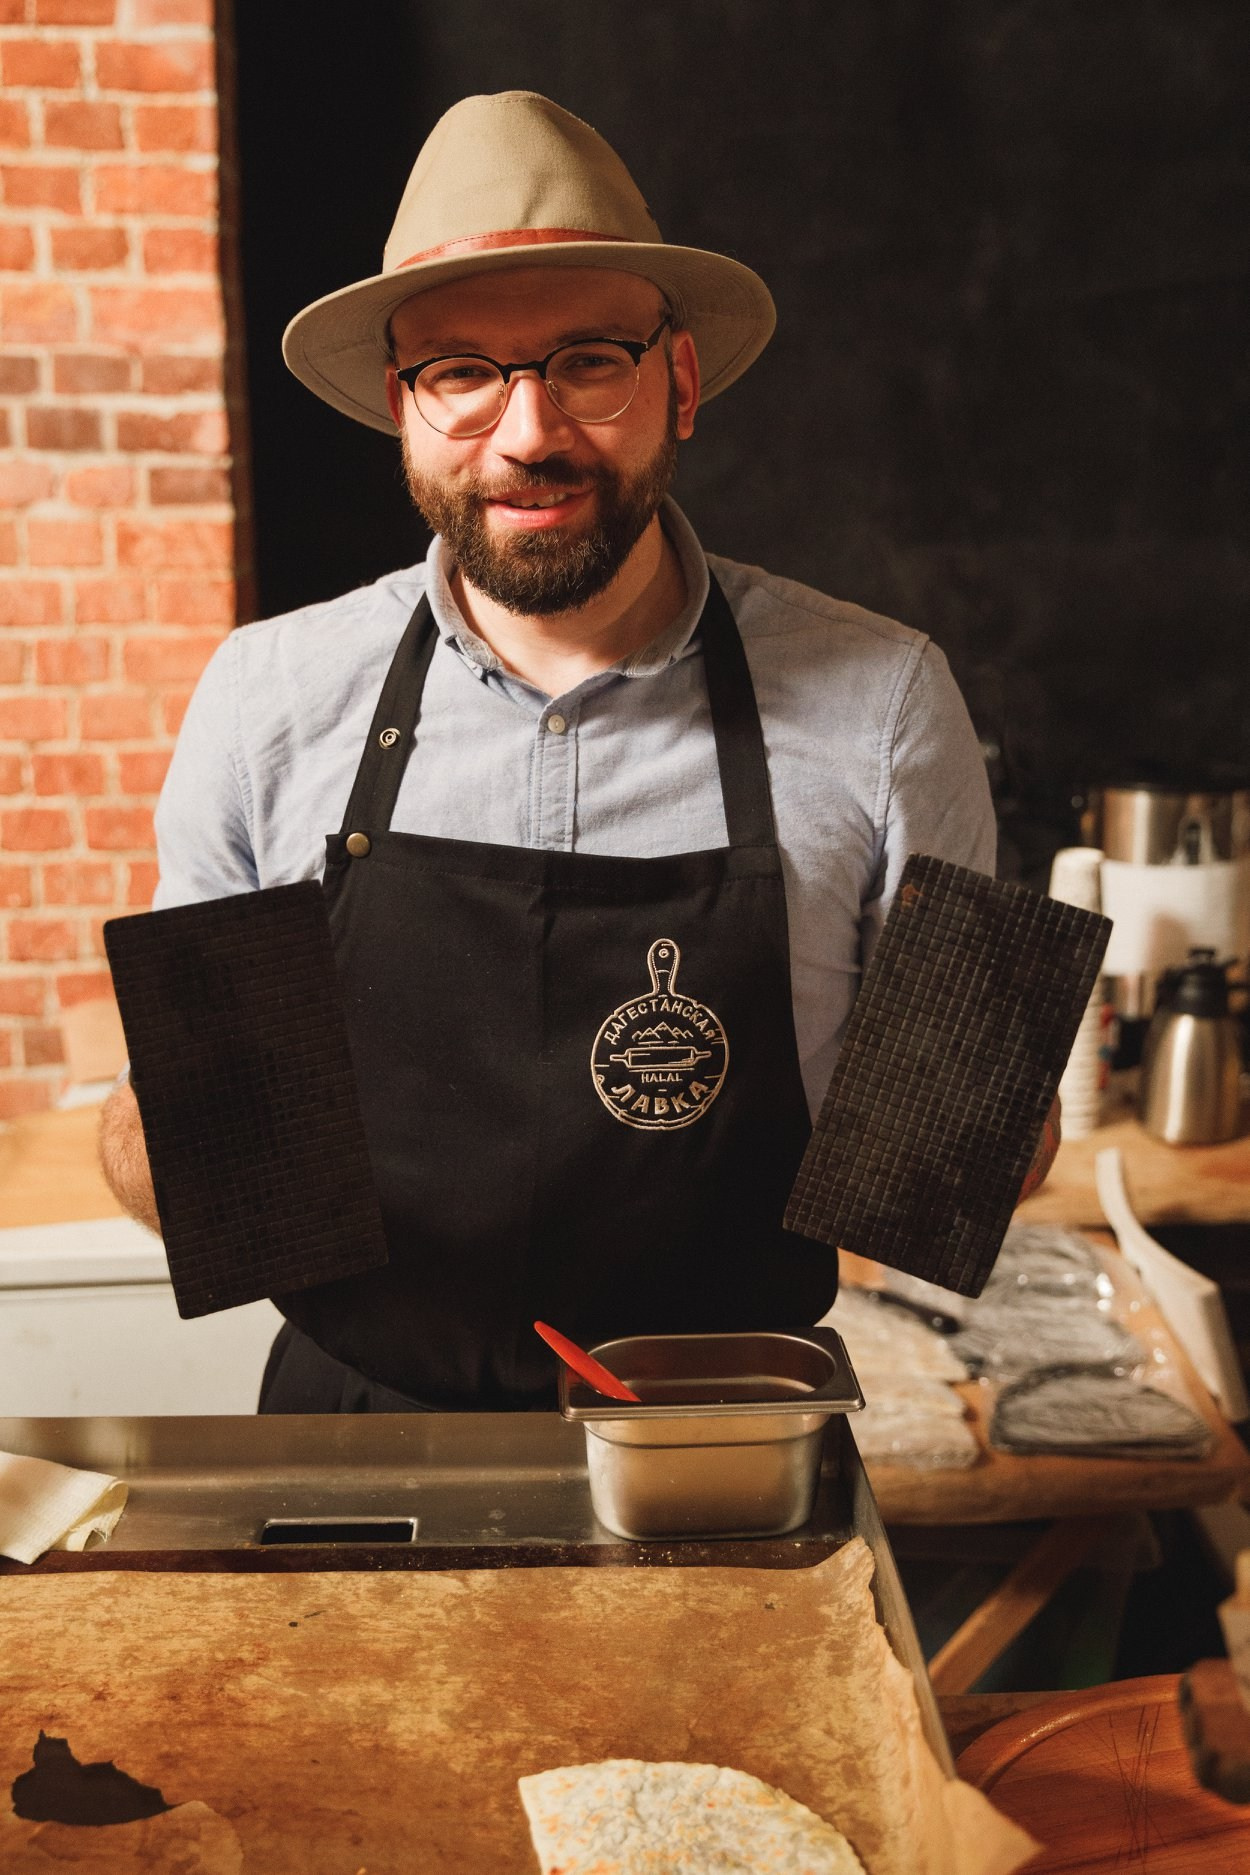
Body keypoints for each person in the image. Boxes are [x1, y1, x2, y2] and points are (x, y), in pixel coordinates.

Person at [100, 91, 1049, 1414]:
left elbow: (961, 1170)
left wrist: (980, 1103)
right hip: (363, 1434)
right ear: (400, 408)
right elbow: (186, 1153)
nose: (529, 433)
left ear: (679, 383)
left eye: (589, 362)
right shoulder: (267, 698)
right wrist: (165, 1125)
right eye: (460, 373)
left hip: (722, 1444)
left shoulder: (886, 702)